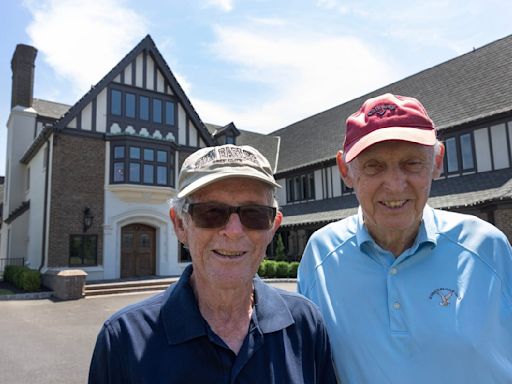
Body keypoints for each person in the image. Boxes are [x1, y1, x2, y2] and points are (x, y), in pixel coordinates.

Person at [298, 93, 512, 383]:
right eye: (374, 165)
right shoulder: (320, 254)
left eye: (412, 163)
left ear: (437, 161)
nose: (396, 185)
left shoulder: (488, 246)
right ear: (345, 170)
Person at [89, 144, 337, 383]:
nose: (234, 230)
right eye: (211, 213)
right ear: (179, 225)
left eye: (254, 214)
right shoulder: (123, 340)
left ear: (273, 227)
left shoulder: (306, 325)